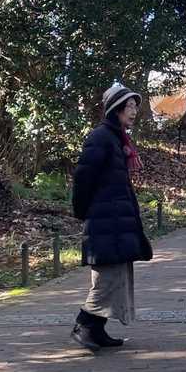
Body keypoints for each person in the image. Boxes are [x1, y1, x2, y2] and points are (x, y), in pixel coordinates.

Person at [70, 82, 153, 352]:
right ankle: (83, 325)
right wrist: (83, 212)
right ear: (115, 109)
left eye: (135, 107)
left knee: (116, 277)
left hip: (116, 221)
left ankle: (97, 330)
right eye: (128, 106)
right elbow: (83, 177)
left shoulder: (117, 139)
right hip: (105, 221)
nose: (133, 111)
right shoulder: (101, 137)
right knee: (107, 279)